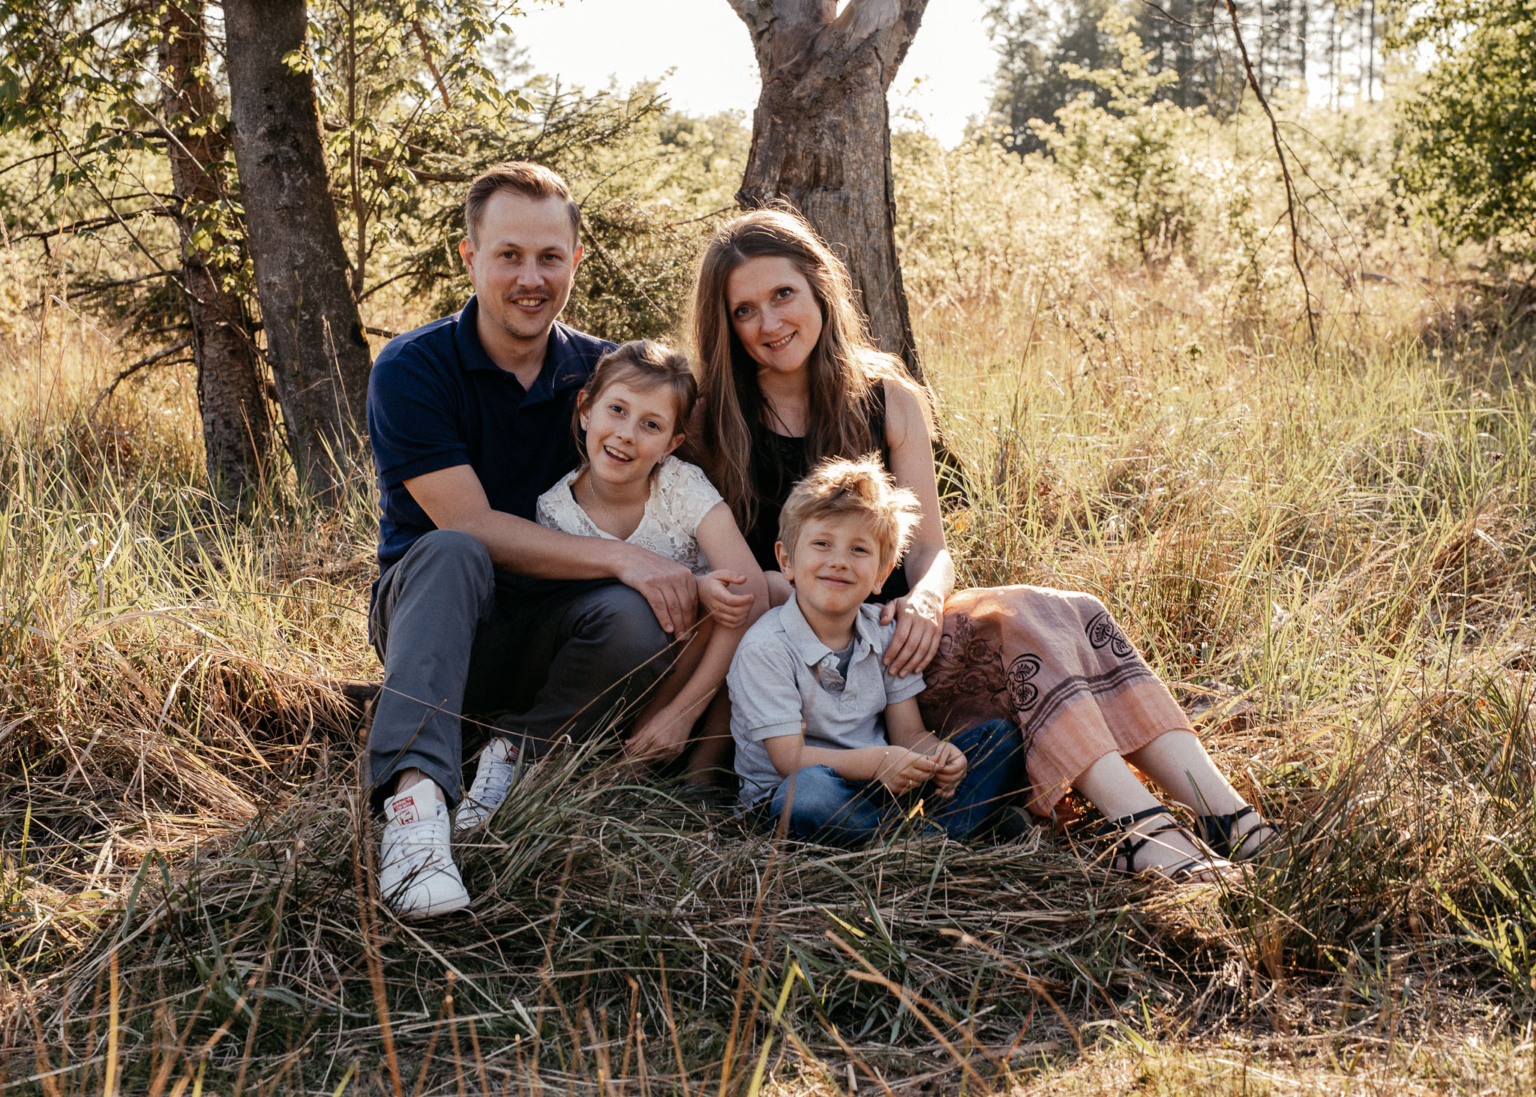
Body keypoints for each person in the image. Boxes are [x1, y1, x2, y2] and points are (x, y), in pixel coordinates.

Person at [690, 208, 1279, 879]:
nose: (769, 324)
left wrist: (920, 605)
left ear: (819, 289)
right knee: (1020, 624)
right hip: (818, 661)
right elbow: (727, 570)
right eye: (745, 311)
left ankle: (1223, 813)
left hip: (906, 649)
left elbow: (931, 551)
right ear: (727, 324)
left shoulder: (886, 397)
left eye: (783, 295)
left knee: (1071, 609)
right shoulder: (718, 419)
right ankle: (1145, 828)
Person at [365, 162, 700, 919]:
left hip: (559, 638)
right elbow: (471, 524)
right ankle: (415, 816)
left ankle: (514, 757)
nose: (530, 276)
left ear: (576, 261)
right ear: (469, 257)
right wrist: (624, 555)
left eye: (550, 257)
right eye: (509, 254)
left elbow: (691, 478)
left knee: (644, 613)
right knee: (457, 550)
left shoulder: (607, 377)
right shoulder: (413, 368)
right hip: (438, 621)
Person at [728, 457, 1025, 844]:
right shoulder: (766, 648)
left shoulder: (882, 632)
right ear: (786, 560)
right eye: (822, 544)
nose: (838, 561)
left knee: (997, 740)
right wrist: (876, 761)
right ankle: (942, 832)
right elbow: (789, 760)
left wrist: (937, 756)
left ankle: (919, 833)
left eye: (859, 550)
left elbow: (909, 732)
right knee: (808, 795)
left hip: (885, 788)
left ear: (882, 574)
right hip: (792, 794)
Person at [535, 339, 767, 778]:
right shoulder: (555, 511)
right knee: (702, 603)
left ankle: (701, 776)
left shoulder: (680, 485)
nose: (626, 434)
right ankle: (625, 763)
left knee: (760, 591)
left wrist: (684, 709)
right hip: (626, 672)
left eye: (651, 425)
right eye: (617, 410)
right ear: (585, 410)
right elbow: (583, 616)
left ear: (672, 443)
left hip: (700, 668)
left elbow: (750, 588)